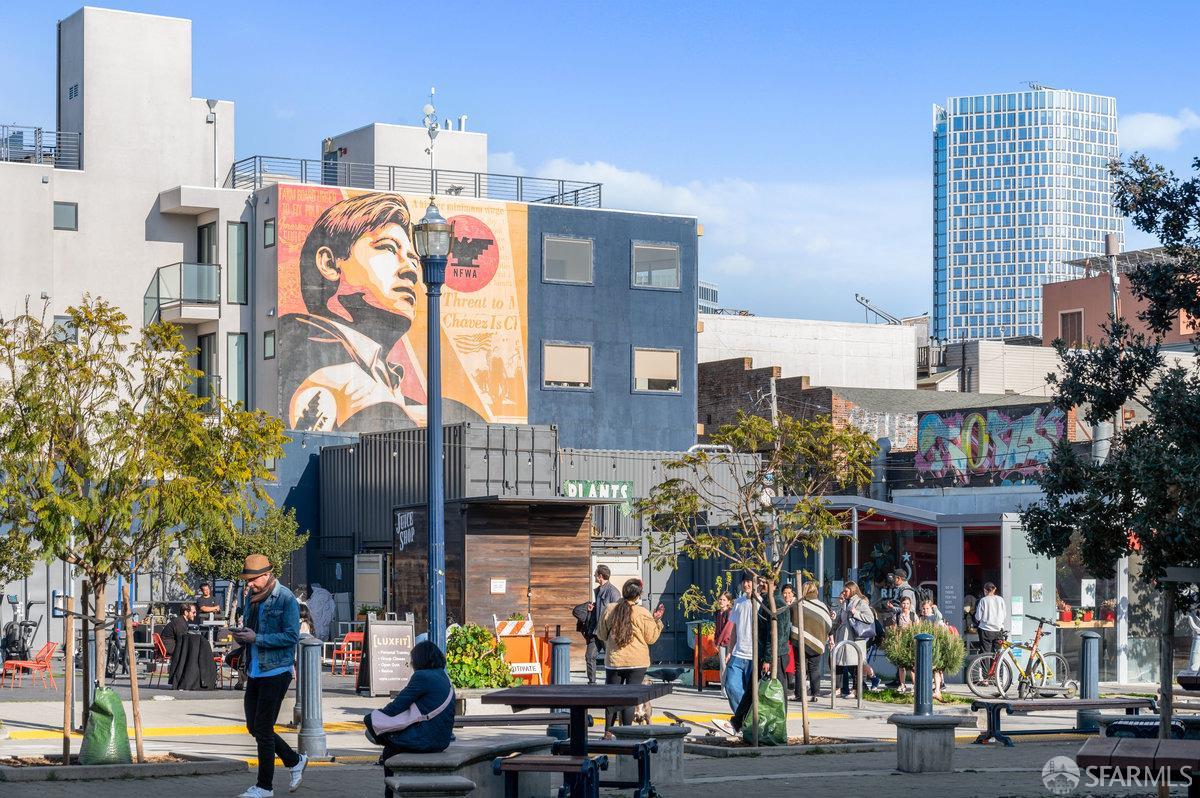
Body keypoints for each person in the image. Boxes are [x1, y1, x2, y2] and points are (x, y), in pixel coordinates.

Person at [281, 193, 483, 432]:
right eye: (388, 248)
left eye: (413, 259)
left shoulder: (395, 392)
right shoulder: (303, 352)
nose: (410, 269)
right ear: (330, 264)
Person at [231, 554, 307, 798]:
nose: (249, 584)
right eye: (247, 580)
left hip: (276, 671)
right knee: (254, 726)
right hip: (255, 669)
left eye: (252, 580)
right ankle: (294, 760)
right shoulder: (253, 598)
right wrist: (241, 635)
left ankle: (264, 787)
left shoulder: (284, 598)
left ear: (266, 575)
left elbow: (291, 636)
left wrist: (257, 638)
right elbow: (251, 630)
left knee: (263, 727)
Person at [364, 640, 455, 761]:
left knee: (370, 721)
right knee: (390, 748)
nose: (411, 663)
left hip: (425, 739)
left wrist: (378, 715)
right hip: (442, 740)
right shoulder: (443, 676)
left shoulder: (422, 676)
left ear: (419, 659)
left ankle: (393, 775)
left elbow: (396, 707)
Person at [595, 578, 664, 736]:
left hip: (614, 661)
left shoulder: (610, 609)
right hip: (637, 662)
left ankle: (607, 732)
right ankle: (626, 733)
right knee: (630, 699)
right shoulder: (643, 613)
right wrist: (657, 621)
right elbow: (651, 638)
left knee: (612, 698)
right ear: (638, 596)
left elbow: (601, 634)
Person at [832, 581, 875, 699]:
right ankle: (839, 689)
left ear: (852, 590)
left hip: (854, 638)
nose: (844, 593)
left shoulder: (859, 602)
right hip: (844, 637)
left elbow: (870, 618)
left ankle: (856, 689)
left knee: (856, 664)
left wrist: (856, 613)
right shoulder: (846, 602)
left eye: (846, 591)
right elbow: (843, 619)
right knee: (840, 662)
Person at [722, 572, 756, 715]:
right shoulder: (739, 602)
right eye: (744, 582)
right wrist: (730, 650)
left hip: (754, 654)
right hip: (738, 653)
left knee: (752, 691)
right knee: (730, 685)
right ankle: (742, 717)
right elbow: (735, 628)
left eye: (749, 581)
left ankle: (750, 720)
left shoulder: (761, 602)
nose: (746, 584)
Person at [585, 565, 622, 685]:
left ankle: (612, 683)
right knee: (589, 656)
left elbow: (616, 613)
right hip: (596, 631)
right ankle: (592, 683)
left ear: (600, 576)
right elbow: (602, 609)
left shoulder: (613, 592)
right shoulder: (599, 590)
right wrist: (593, 608)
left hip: (608, 633)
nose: (594, 575)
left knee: (612, 658)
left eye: (596, 574)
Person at [798, 582, 831, 700]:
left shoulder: (800, 604)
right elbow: (828, 624)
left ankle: (800, 694)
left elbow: (793, 620)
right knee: (814, 668)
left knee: (800, 667)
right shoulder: (822, 605)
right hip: (818, 641)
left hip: (800, 640)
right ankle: (815, 694)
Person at [893, 594, 919, 693]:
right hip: (901, 641)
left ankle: (914, 684)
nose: (905, 605)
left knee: (913, 665)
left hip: (911, 642)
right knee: (901, 665)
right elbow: (894, 629)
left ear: (910, 604)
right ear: (900, 604)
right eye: (903, 603)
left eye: (907, 603)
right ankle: (902, 684)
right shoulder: (897, 615)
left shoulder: (913, 615)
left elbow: (917, 628)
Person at [975, 582, 1007, 654]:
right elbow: (1004, 615)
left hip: (985, 630)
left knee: (985, 653)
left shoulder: (983, 600)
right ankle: (996, 665)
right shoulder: (1001, 599)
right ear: (994, 589)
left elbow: (978, 617)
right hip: (998, 630)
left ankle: (987, 665)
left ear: (985, 590)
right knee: (997, 653)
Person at [713, 592, 734, 685]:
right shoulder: (718, 613)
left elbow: (727, 630)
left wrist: (719, 641)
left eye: (724, 600)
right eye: (720, 599)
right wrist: (715, 640)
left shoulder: (730, 613)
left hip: (728, 642)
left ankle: (727, 686)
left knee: (728, 665)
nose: (721, 601)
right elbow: (717, 628)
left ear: (728, 602)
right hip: (721, 643)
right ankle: (723, 687)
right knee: (722, 665)